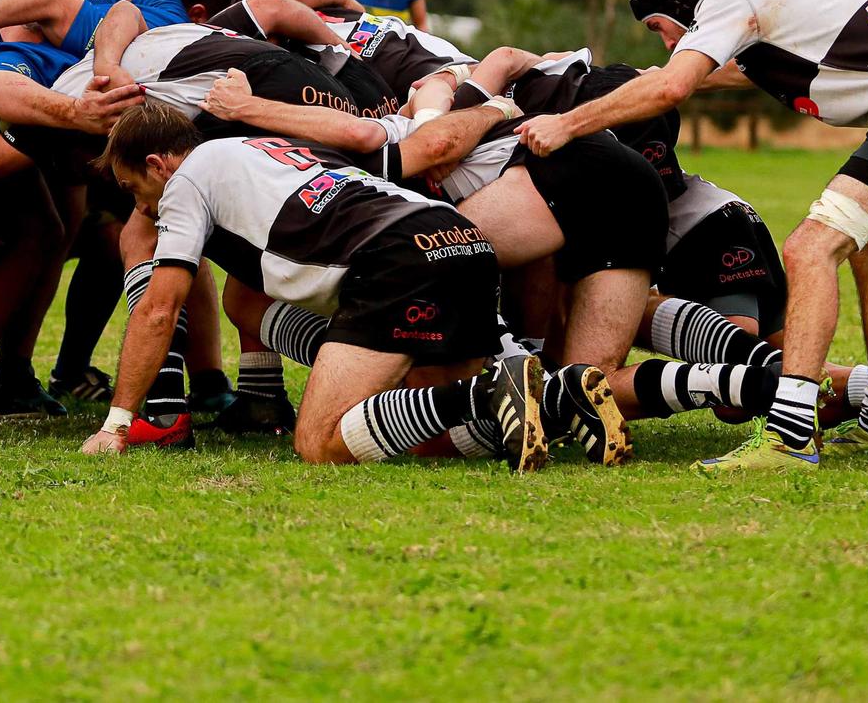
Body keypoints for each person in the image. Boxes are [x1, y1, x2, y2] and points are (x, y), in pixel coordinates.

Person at [516, 0, 868, 471]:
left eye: (659, 25)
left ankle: (790, 437)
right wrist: (637, 80)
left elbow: (674, 85)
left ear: (678, 1)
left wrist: (565, 121)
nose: (668, 38)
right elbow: (718, 74)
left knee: (810, 249)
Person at [81, 103, 548, 472]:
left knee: (318, 442)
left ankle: (487, 392)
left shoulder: (184, 181)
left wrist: (117, 425)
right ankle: (563, 398)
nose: (140, 208)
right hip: (459, 237)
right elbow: (247, 293)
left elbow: (159, 309)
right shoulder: (265, 148)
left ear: (157, 165)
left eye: (132, 188)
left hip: (394, 258)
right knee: (434, 443)